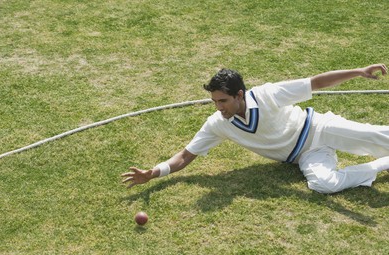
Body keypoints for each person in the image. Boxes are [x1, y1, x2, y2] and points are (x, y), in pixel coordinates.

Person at [122, 64, 389, 194]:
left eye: (223, 101)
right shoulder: (218, 124)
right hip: (304, 156)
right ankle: (382, 165)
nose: (218, 107)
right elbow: (185, 156)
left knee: (377, 136)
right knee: (323, 185)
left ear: (239, 94)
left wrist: (358, 72)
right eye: (214, 101)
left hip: (319, 129)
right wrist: (154, 173)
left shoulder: (268, 94)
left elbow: (315, 83)